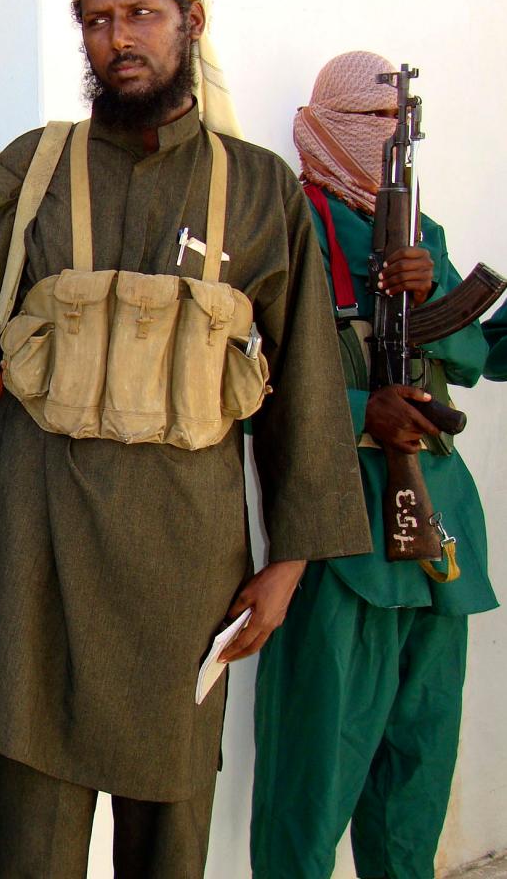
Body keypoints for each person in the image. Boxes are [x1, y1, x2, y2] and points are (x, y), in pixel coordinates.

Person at [0, 0, 369, 878]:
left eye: (140, 13)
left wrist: (291, 564)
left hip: (187, 572)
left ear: (191, 23)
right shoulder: (33, 172)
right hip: (38, 554)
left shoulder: (260, 189)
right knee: (31, 831)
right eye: (97, 21)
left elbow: (303, 389)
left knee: (170, 834)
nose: (118, 39)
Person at [249, 50, 497, 879]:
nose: (384, 137)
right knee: (312, 780)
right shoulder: (287, 225)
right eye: (367, 120)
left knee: (416, 776)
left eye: (397, 124)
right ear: (323, 128)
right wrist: (363, 416)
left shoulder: (419, 234)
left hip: (440, 534)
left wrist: (430, 297)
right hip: (339, 527)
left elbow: (471, 355)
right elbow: (248, 385)